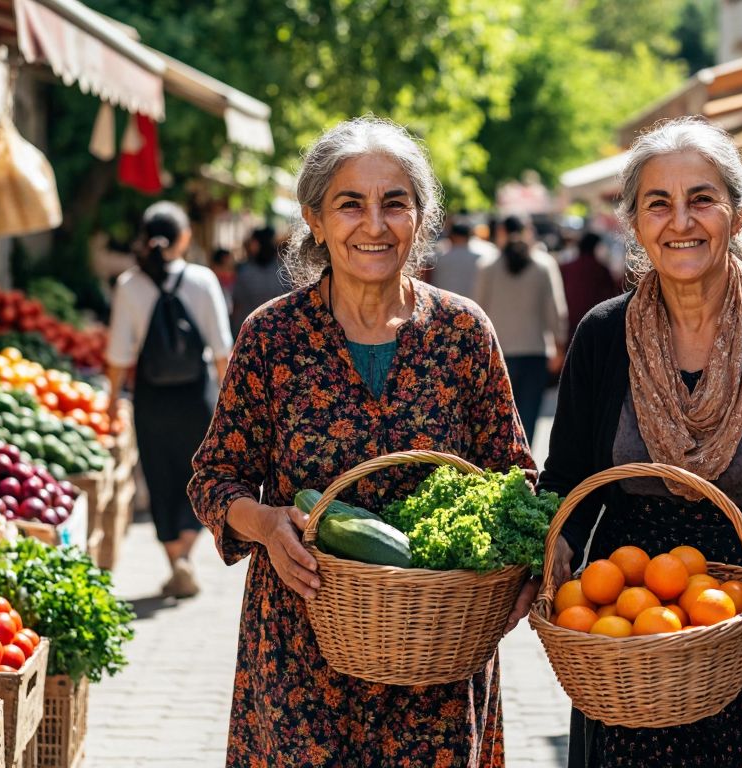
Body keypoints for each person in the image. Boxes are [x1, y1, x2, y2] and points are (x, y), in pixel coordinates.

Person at [188, 116, 536, 767]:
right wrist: (264, 523)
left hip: (435, 656)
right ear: (315, 220)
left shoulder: (463, 334)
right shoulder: (273, 337)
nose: (374, 224)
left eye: (394, 203)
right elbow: (214, 477)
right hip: (301, 650)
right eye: (351, 204)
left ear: (420, 218)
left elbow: (515, 475)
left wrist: (511, 576)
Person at [539, 117, 742, 767]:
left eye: (702, 199)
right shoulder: (603, 337)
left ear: (739, 210)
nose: (681, 221)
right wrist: (558, 547)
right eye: (658, 203)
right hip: (632, 634)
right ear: (633, 222)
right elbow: (570, 480)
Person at [105, 201, 233, 598]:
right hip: (198, 396)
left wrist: (111, 400)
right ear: (185, 238)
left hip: (151, 398)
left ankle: (174, 559)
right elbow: (221, 350)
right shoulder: (202, 279)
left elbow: (119, 354)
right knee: (199, 477)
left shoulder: (129, 284)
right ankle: (186, 556)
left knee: (159, 476)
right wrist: (233, 403)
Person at [474, 215, 568, 438]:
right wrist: (559, 346)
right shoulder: (544, 264)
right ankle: (527, 469)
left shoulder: (487, 266)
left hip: (496, 354)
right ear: (528, 231)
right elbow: (556, 310)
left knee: (497, 421)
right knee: (527, 420)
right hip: (534, 351)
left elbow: (476, 310)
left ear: (501, 233)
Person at [558, 231, 621, 344]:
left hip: (570, 323)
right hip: (596, 324)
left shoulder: (566, 268)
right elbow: (613, 294)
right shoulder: (601, 270)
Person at [229, 225, 287, 334]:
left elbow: (236, 306)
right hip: (261, 332)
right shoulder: (284, 271)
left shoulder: (245, 271)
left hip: (262, 333)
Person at [428, 218, 496, 299]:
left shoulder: (439, 257)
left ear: (452, 235)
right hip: (470, 304)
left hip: (442, 303)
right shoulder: (482, 257)